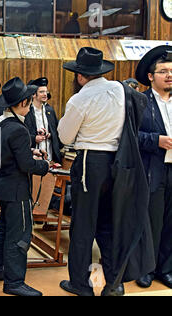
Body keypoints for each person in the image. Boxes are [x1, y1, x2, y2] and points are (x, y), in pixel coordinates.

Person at [57, 47, 153, 296]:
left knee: (83, 227)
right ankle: (113, 283)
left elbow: (65, 136)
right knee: (110, 224)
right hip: (120, 162)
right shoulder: (121, 90)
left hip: (90, 162)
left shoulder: (79, 99)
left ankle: (80, 284)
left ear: (79, 76)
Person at [0, 77, 49, 296]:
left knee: (3, 230)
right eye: (29, 103)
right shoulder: (19, 130)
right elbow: (27, 165)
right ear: (23, 103)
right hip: (17, 189)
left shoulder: (1, 124)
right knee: (20, 235)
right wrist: (45, 165)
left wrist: (29, 152)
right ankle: (14, 281)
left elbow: (6, 155)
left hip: (2, 187)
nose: (30, 107)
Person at [135, 45, 172, 289]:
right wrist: (156, 140)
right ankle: (146, 268)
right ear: (150, 77)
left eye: (171, 70)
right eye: (163, 71)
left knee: (171, 221)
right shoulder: (140, 102)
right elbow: (130, 136)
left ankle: (166, 269)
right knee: (152, 220)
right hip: (153, 168)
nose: (169, 75)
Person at [25, 77, 63, 164]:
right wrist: (34, 138)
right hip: (34, 157)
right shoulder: (27, 111)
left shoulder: (50, 110)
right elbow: (21, 135)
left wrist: (49, 134)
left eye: (46, 91)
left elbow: (57, 132)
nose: (45, 94)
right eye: (41, 92)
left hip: (50, 157)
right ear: (34, 94)